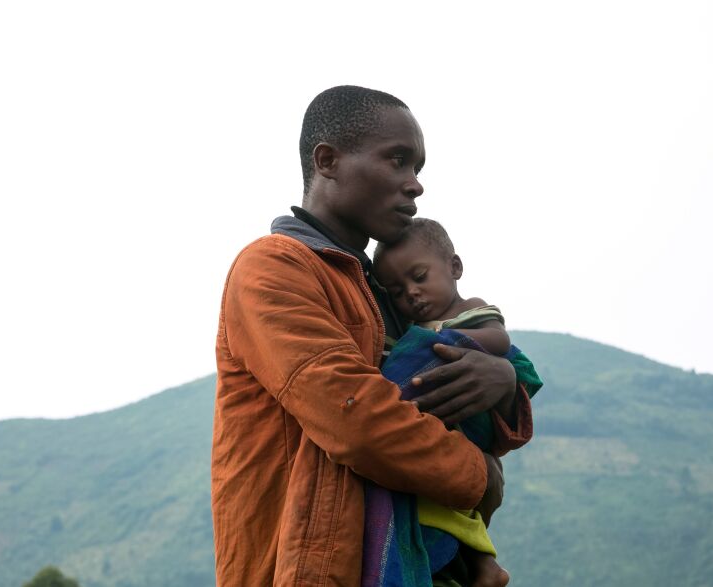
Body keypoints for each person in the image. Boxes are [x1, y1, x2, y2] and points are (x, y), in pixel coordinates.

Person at [212, 85, 534, 586]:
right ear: (328, 161)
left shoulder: (389, 291)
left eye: (418, 169)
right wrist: (477, 475)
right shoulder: (272, 268)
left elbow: (451, 404)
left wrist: (502, 378)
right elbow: (354, 415)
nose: (415, 185)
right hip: (309, 571)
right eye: (398, 161)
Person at [372, 217, 543, 587]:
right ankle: (482, 565)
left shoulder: (468, 309)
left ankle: (484, 563)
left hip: (466, 426)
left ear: (454, 267)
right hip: (441, 437)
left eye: (419, 277)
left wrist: (439, 340)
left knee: (454, 502)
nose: (411, 294)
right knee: (441, 508)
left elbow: (498, 340)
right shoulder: (408, 327)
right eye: (397, 292)